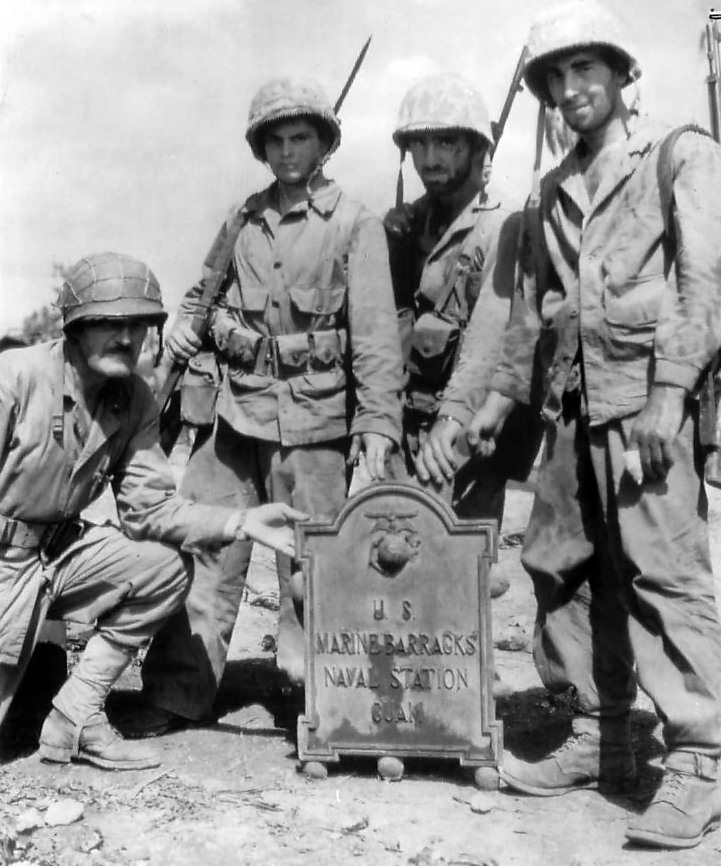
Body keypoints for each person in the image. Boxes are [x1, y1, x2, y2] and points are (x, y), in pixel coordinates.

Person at [468, 0, 721, 850]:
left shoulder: (678, 155)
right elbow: (528, 319)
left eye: (585, 71)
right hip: (570, 413)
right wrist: (499, 402)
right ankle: (598, 733)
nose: (571, 90)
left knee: (663, 576)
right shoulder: (548, 191)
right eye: (556, 78)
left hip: (647, 409)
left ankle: (698, 759)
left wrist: (669, 394)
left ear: (619, 75)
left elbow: (703, 284)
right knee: (557, 568)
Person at [129, 76, 404, 737]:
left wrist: (376, 424)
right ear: (260, 147)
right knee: (206, 549)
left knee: (313, 560)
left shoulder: (354, 225)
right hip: (232, 412)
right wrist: (185, 333)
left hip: (314, 421)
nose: (286, 152)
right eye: (274, 140)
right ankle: (176, 692)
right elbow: (200, 294)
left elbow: (373, 336)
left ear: (323, 144)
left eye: (299, 138)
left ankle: (324, 700)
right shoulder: (242, 219)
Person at [0, 251, 305, 771]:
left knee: (165, 565)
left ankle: (76, 715)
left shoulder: (134, 398)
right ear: (75, 327)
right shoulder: (15, 378)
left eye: (139, 325)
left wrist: (239, 522)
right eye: (109, 324)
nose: (126, 338)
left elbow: (148, 510)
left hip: (57, 557)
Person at [385, 74, 529, 593]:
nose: (429, 157)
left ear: (476, 147)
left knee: (456, 579)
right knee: (394, 569)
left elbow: (490, 336)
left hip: (464, 430)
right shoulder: (407, 225)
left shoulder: (504, 223)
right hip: (408, 421)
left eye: (445, 141)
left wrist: (452, 423)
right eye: (418, 144)